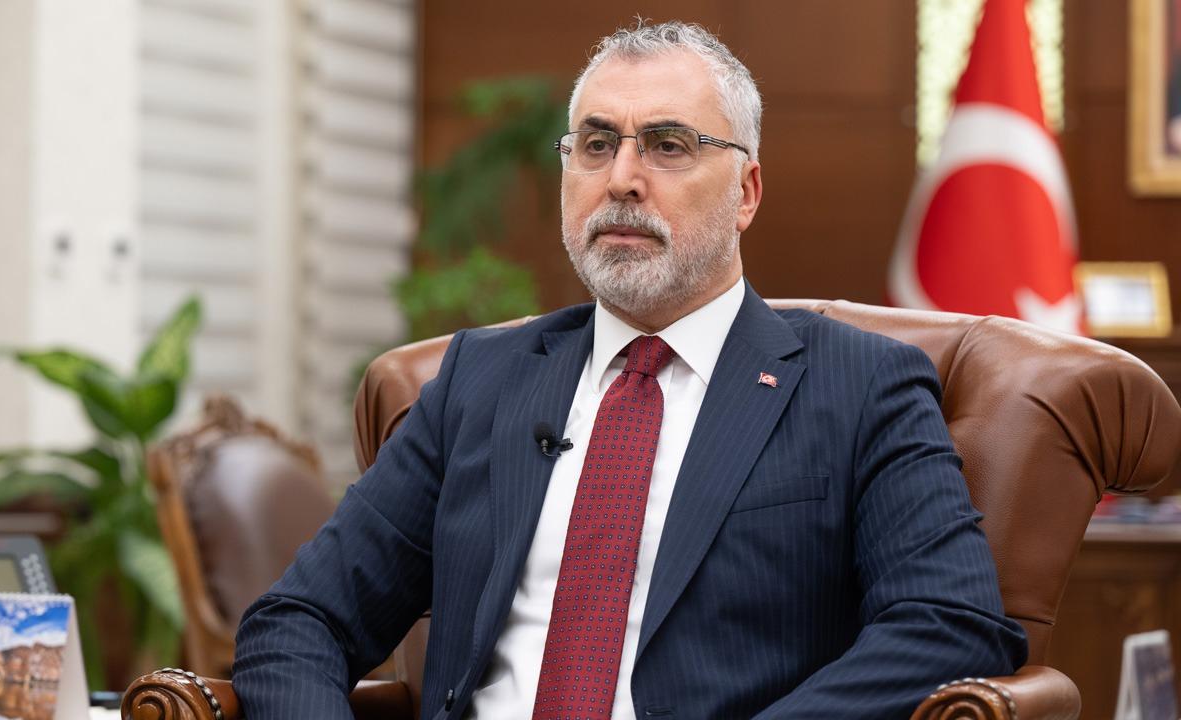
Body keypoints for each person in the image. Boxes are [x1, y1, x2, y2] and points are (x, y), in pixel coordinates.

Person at [232, 20, 1027, 719]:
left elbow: (947, 624)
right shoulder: (480, 381)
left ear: (746, 192)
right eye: (596, 144)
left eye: (668, 146)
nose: (620, 179)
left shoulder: (861, 386)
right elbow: (301, 619)